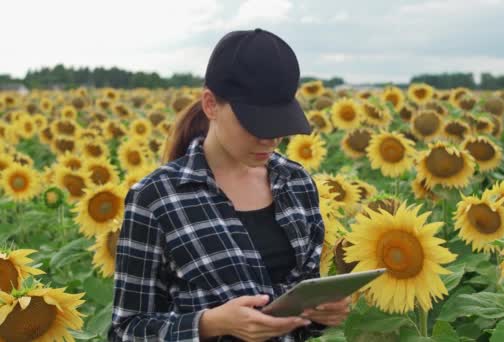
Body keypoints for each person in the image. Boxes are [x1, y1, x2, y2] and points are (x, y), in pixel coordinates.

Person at [108, 28, 351, 342]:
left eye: (279, 124)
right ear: (211, 105)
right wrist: (210, 324)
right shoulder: (156, 198)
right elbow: (125, 331)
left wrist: (318, 314)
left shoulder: (298, 184)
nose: (270, 139)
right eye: (255, 124)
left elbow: (300, 306)